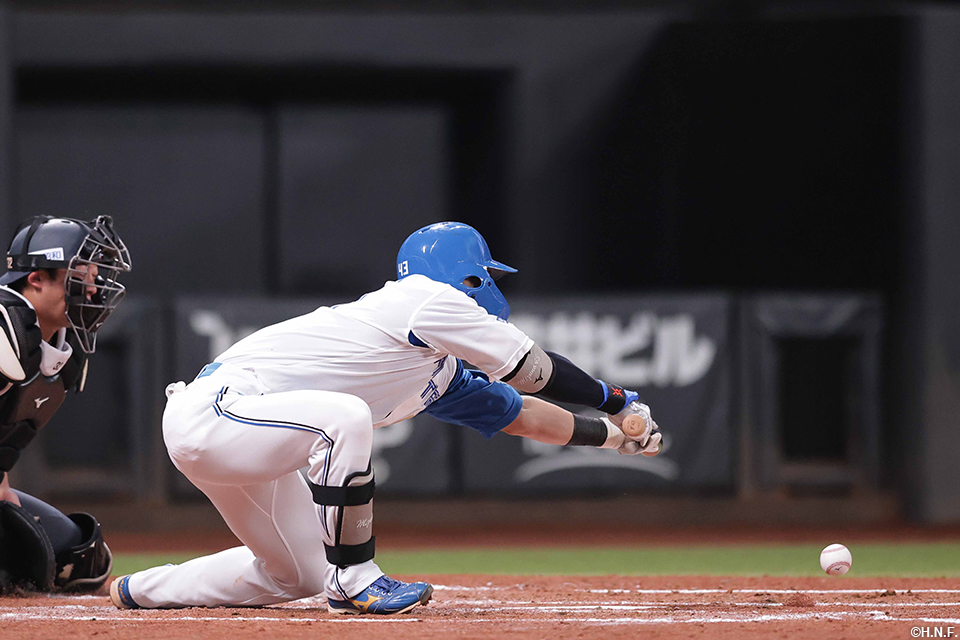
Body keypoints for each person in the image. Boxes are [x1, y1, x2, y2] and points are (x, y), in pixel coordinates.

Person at [112, 221, 661, 615]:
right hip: (216, 413)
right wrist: (615, 400)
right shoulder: (423, 298)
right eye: (485, 275)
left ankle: (140, 590)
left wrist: (615, 438)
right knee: (343, 418)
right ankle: (354, 579)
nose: (491, 286)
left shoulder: (436, 367)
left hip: (254, 437)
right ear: (466, 276)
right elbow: (534, 372)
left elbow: (525, 416)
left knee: (298, 575)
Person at [0, 215, 131, 594]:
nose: (92, 290)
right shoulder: (6, 325)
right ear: (36, 279)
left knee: (84, 560)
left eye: (95, 278)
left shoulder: (65, 344)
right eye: (80, 278)